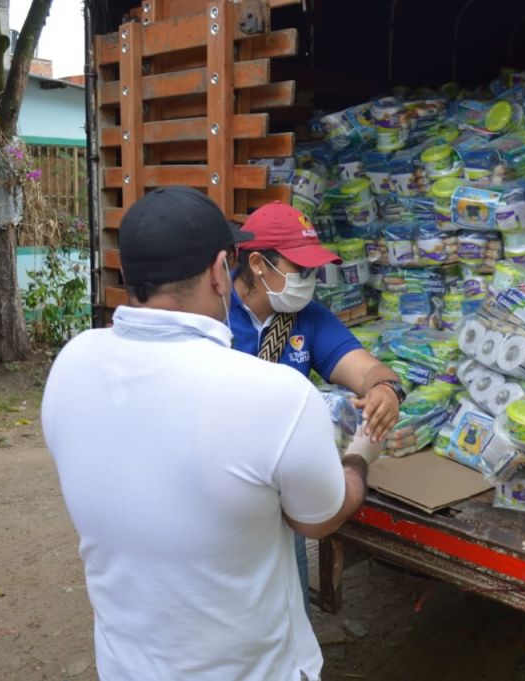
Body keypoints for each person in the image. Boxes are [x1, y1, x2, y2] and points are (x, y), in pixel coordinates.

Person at [42, 186, 378, 681]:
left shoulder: (72, 362)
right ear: (223, 271)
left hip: (127, 666)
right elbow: (320, 520)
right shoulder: (276, 394)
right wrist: (359, 456)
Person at [229, 201, 406, 607]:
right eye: (301, 270)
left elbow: (366, 370)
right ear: (258, 264)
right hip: (224, 491)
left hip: (278, 497)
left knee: (286, 600)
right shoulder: (216, 314)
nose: (310, 280)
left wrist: (385, 390)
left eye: (313, 270)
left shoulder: (306, 317)